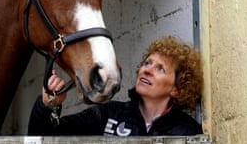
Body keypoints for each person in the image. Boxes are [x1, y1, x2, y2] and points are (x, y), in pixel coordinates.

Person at [28, 36, 203, 136]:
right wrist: (46, 105)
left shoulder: (187, 131)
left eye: (160, 69)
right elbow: (46, 136)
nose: (147, 70)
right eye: (147, 63)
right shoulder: (108, 114)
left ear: (177, 88)